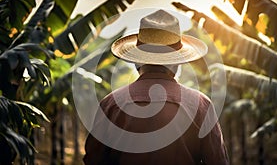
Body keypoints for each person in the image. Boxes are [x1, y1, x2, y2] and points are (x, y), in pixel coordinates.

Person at [83, 9, 229, 165]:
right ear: (177, 63)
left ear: (137, 61)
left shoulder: (111, 104)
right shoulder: (201, 105)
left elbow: (94, 160)